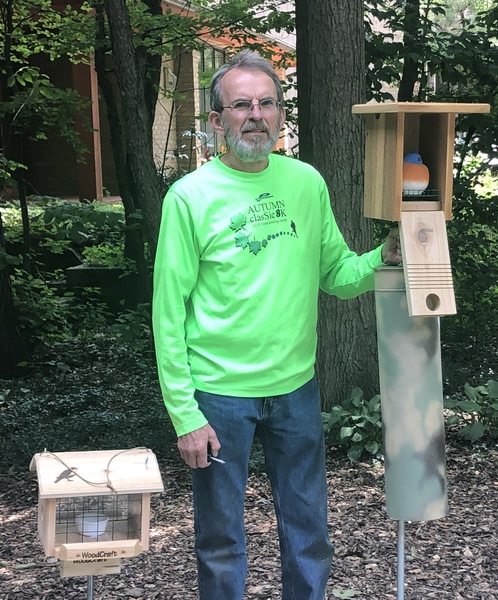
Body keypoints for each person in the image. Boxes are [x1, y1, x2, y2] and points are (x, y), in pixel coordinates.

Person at [152, 49, 401, 600]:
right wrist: (184, 414)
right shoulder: (189, 198)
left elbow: (336, 273)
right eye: (241, 105)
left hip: (295, 389)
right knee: (219, 540)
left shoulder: (305, 183)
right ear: (217, 121)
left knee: (309, 532)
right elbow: (167, 315)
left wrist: (382, 258)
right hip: (218, 395)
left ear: (281, 116)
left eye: (267, 103)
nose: (255, 115)